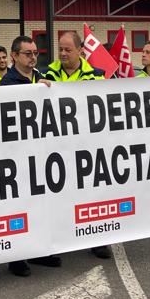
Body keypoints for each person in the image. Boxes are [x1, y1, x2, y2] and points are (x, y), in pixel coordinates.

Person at [43, 31, 112, 259]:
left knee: (93, 194)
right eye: (60, 49)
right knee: (56, 198)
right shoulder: (45, 75)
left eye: (67, 49)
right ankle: (56, 242)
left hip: (87, 147)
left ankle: (98, 239)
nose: (62, 53)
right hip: (56, 148)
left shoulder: (97, 76)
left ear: (80, 50)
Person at [0, 35, 61, 277]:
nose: (33, 57)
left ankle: (40, 250)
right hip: (18, 156)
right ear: (14, 56)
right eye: (28, 53)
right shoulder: (8, 84)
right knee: (19, 208)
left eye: (35, 53)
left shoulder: (40, 79)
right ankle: (16, 258)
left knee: (41, 206)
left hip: (41, 154)